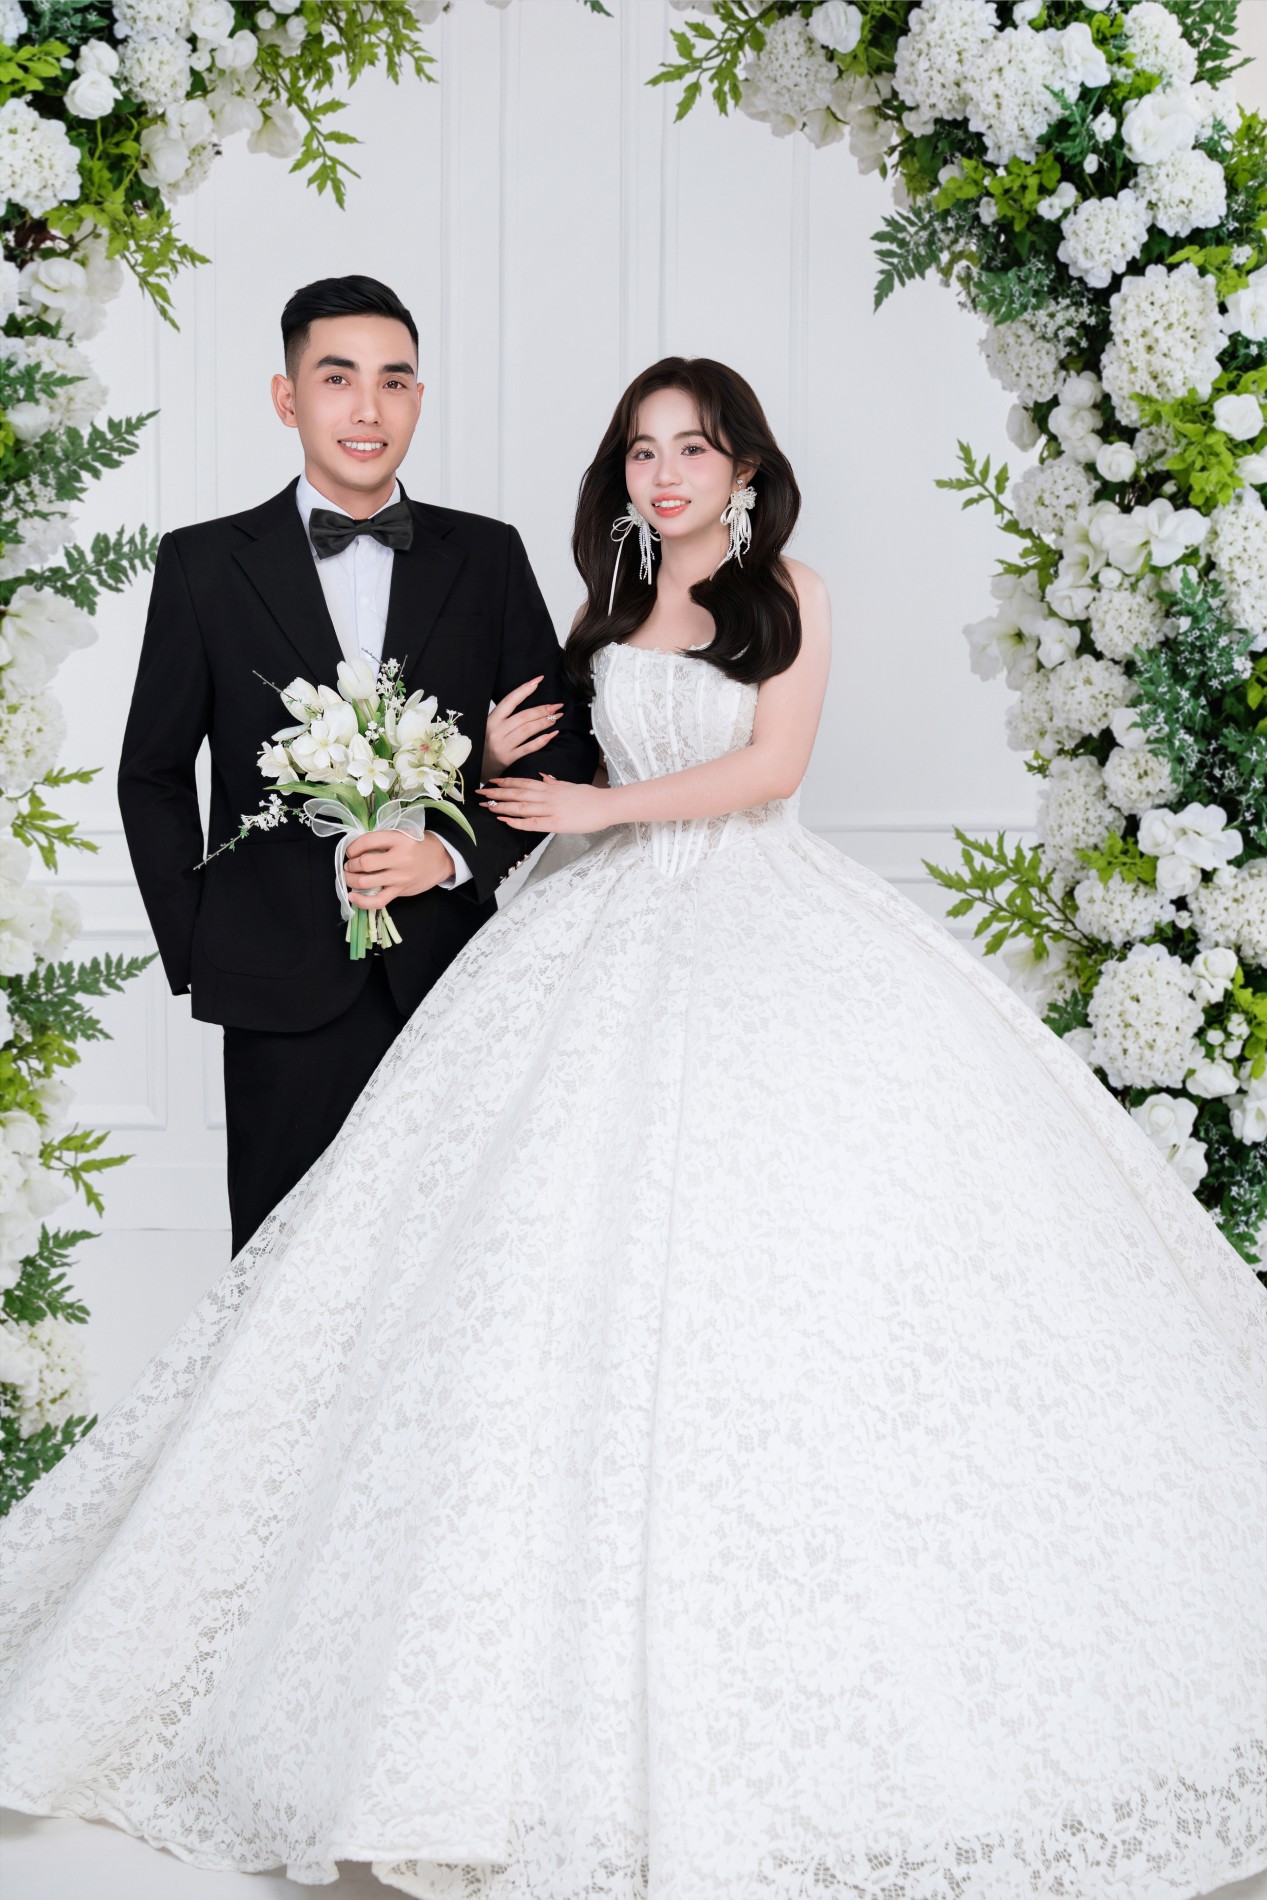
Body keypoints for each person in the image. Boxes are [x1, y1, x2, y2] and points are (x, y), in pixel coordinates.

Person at [3, 357, 1265, 1900]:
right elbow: (564, 776)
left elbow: (770, 769)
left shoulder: (786, 594)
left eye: (692, 450)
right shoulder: (603, 611)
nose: (663, 475)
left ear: (743, 469)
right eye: (641, 452)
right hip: (586, 928)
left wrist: (594, 812)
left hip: (757, 923)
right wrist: (499, 765)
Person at [116, 273, 597, 1254]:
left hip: (450, 978)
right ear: (287, 398)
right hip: (275, 977)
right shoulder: (203, 564)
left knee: (442, 1265)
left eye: (394, 381)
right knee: (278, 1268)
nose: (368, 408)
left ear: (419, 398)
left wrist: (451, 856)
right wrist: (202, 942)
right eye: (337, 379)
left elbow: (565, 747)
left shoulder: (488, 556)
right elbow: (152, 773)